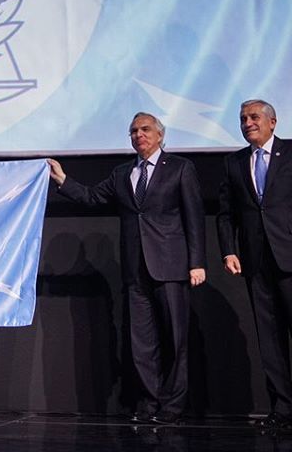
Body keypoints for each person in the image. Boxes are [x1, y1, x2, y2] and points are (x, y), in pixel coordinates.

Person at [48, 112, 206, 424]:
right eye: (133, 131)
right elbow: (93, 197)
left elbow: (194, 217)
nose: (139, 135)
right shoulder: (122, 173)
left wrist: (197, 262)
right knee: (141, 342)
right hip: (135, 270)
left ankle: (173, 406)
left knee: (176, 340)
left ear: (160, 135)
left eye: (145, 129)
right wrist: (63, 180)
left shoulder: (180, 168)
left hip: (171, 266)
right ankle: (148, 403)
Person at [217, 99, 292, 429]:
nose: (248, 123)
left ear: (272, 122)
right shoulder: (233, 162)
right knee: (269, 339)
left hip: (289, 254)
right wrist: (228, 251)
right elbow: (226, 213)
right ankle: (283, 409)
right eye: (243, 118)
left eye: (254, 117)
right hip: (256, 261)